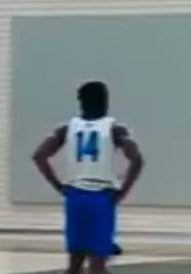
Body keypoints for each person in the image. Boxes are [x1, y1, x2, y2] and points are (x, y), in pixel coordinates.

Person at [31, 81, 145, 274]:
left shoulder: (66, 128)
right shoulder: (115, 128)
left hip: (74, 195)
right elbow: (137, 159)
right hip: (101, 197)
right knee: (97, 262)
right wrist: (123, 191)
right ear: (106, 100)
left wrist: (58, 186)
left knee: (74, 262)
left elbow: (39, 155)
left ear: (80, 102)